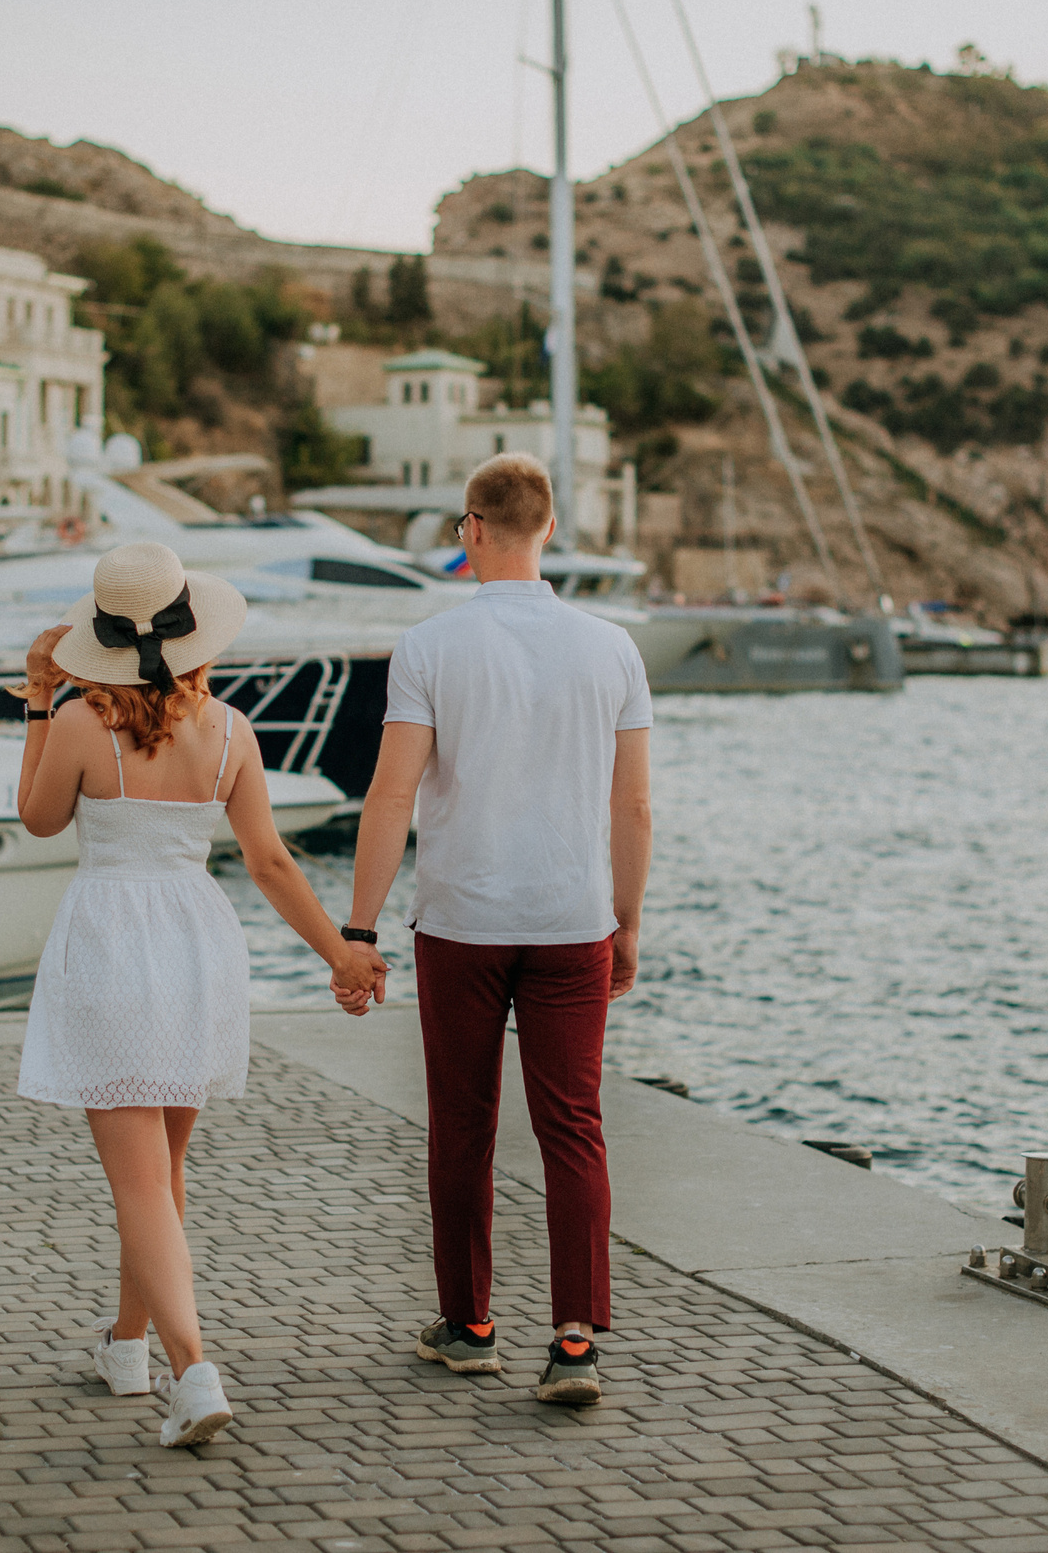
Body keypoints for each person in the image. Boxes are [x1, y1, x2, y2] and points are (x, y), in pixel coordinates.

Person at [14, 540, 387, 1449]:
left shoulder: (76, 723)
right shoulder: (231, 732)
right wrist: (341, 952)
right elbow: (268, 860)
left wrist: (34, 701)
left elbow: (36, 816)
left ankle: (193, 1371)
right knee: (163, 1178)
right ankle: (127, 1346)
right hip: (195, 947)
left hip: (111, 944)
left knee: (140, 1185)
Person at [339, 452, 654, 1405]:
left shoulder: (430, 645)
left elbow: (391, 794)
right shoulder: (612, 647)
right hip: (572, 920)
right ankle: (573, 1341)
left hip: (464, 922)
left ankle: (471, 1325)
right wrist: (626, 926)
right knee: (574, 1127)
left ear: (470, 528)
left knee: (462, 1124)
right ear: (550, 528)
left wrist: (359, 928)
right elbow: (633, 809)